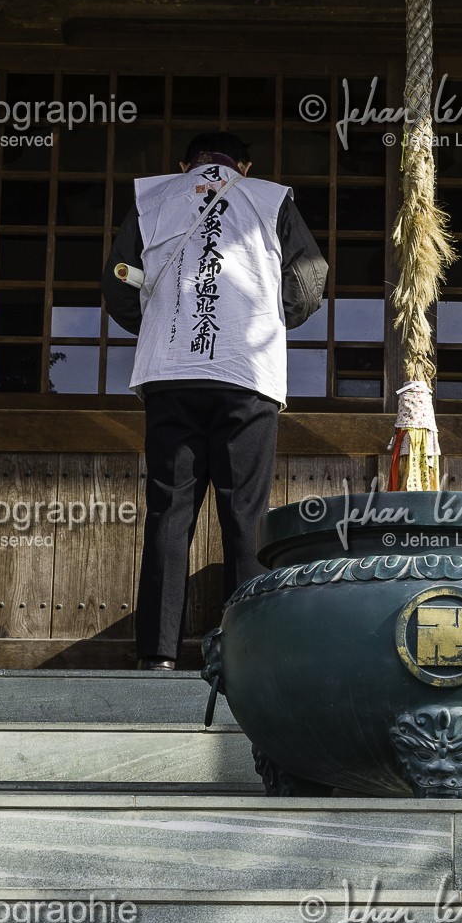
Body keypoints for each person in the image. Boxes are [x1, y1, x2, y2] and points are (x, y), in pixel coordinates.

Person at [101, 131, 326, 671]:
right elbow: (310, 282)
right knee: (244, 513)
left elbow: (117, 289)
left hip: (170, 377)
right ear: (243, 166)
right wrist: (273, 319)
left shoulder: (150, 199)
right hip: (245, 376)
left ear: (185, 164)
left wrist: (158, 330)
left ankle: (156, 654)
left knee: (169, 513)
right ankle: (247, 652)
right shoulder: (271, 198)